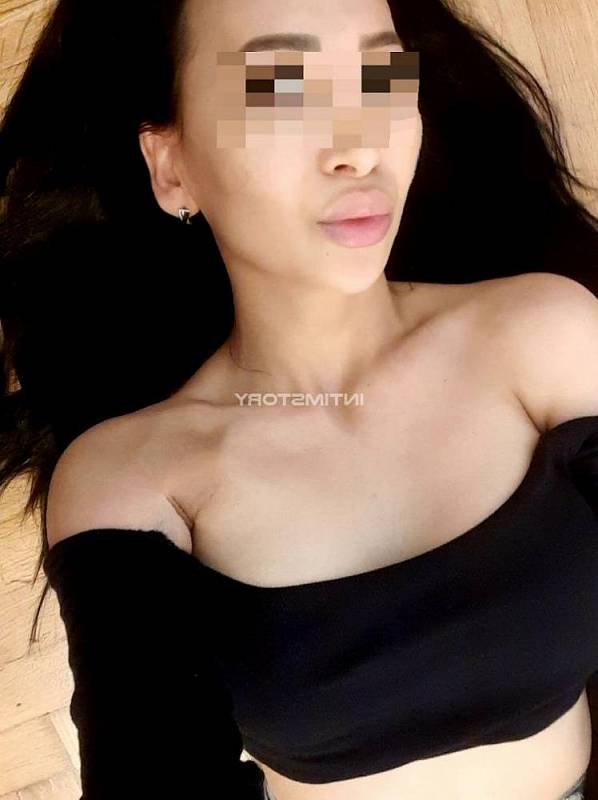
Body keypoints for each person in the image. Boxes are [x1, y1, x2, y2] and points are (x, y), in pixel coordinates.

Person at [2, 0, 598, 798]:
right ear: (171, 167)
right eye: (280, 86)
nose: (360, 147)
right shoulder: (136, 483)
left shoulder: (547, 335)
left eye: (382, 76)